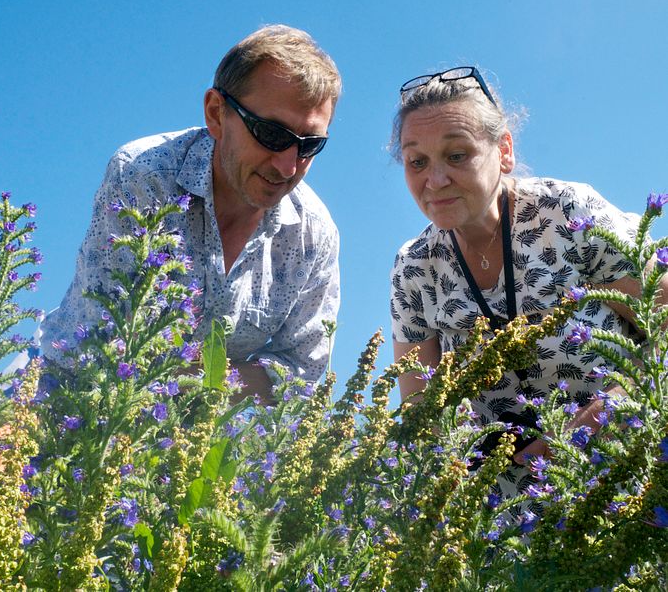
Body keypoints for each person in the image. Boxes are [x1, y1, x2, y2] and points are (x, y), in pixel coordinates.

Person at [388, 66, 667, 499]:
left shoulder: (567, 214)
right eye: (416, 161)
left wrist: (609, 408)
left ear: (503, 151)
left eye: (456, 155)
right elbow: (420, 408)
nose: (435, 180)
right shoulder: (414, 269)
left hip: (633, 456)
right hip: (508, 508)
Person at [40, 25, 342, 397]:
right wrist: (221, 385)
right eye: (272, 135)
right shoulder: (145, 176)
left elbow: (301, 369)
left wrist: (199, 390)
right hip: (72, 401)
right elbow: (108, 343)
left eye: (309, 145)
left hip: (207, 435)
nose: (288, 167)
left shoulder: (314, 234)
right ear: (216, 114)